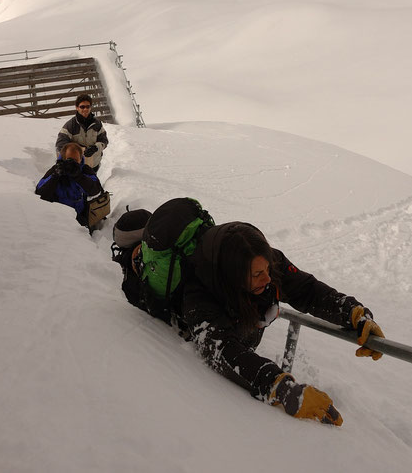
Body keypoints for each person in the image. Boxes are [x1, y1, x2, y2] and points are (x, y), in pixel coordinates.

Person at [112, 203, 385, 427]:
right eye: (257, 275)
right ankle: (133, 258)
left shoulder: (260, 258)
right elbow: (221, 350)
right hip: (180, 314)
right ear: (233, 275)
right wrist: (282, 388)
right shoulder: (198, 296)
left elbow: (307, 290)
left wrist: (354, 313)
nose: (267, 278)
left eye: (267, 269)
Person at [35, 142, 109, 231]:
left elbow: (95, 190)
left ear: (81, 158)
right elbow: (40, 194)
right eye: (69, 159)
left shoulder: (85, 170)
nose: (72, 163)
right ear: (63, 158)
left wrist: (78, 176)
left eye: (76, 160)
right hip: (57, 216)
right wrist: (56, 176)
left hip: (78, 215)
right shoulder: (55, 170)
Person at [55, 94, 109, 173]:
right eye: (82, 107)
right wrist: (79, 149)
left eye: (88, 106)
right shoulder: (70, 125)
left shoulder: (97, 124)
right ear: (77, 108)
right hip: (76, 167)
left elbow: (104, 140)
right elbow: (60, 144)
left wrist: (96, 147)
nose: (85, 109)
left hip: (93, 165)